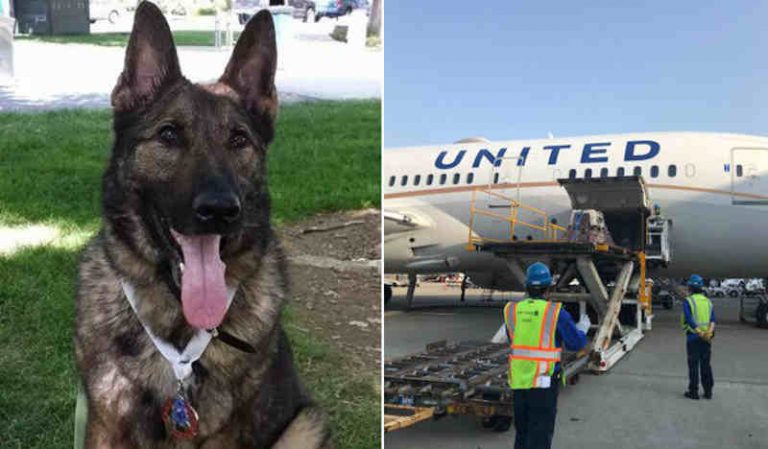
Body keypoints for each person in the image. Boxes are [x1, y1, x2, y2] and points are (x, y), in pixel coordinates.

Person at [502, 262, 589, 449]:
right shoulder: (555, 312)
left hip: (519, 380)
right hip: (544, 381)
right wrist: (583, 328)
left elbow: (514, 339)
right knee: (540, 433)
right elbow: (576, 344)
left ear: (526, 286)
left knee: (522, 432)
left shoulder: (510, 310)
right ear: (548, 289)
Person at [681, 274, 716, 400]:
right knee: (706, 365)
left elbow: (689, 319)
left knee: (693, 365)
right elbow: (713, 320)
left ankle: (693, 392)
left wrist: (699, 332)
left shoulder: (688, 301)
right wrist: (708, 334)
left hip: (693, 338)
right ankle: (708, 392)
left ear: (690, 287)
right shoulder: (708, 302)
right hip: (707, 339)